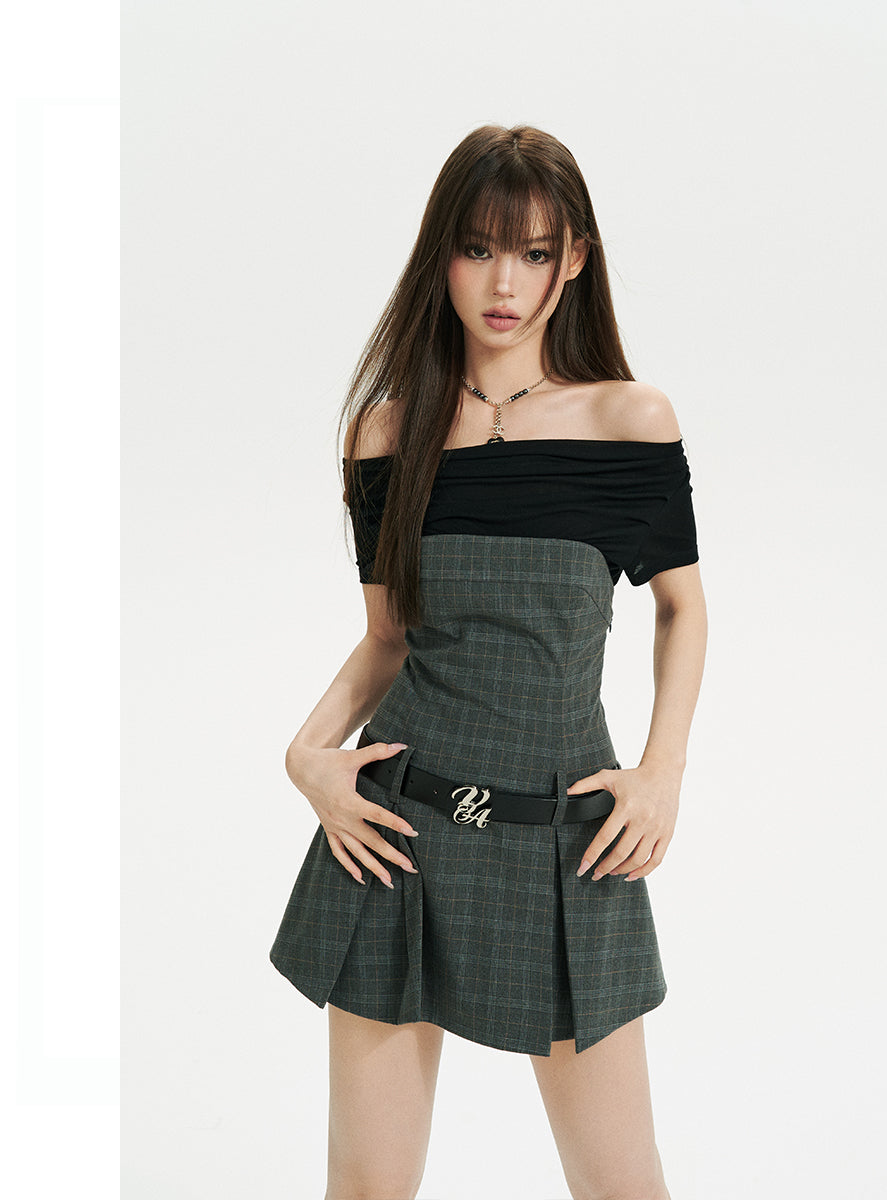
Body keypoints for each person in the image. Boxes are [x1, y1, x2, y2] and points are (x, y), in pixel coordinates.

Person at [269, 124, 707, 1200]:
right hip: (395, 838)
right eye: (477, 249)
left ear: (575, 260)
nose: (503, 284)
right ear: (443, 256)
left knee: (624, 1187)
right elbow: (389, 638)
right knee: (366, 1189)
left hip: (569, 841)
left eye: (533, 252)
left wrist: (662, 772)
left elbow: (683, 611)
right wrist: (307, 755)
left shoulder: (628, 421)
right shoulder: (387, 434)